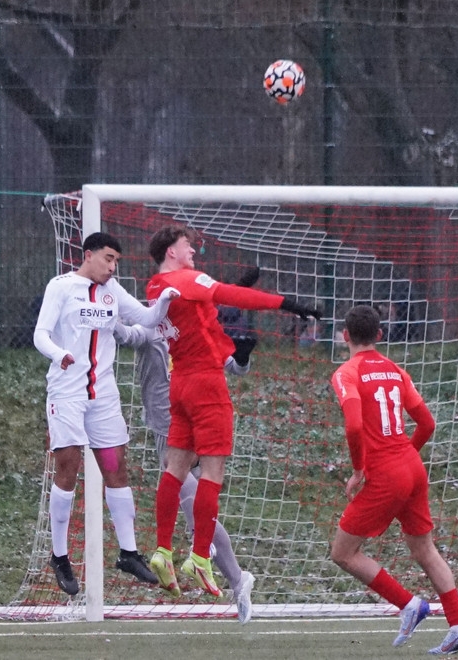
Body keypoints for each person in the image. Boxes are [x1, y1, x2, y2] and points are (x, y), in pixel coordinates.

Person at [145, 225, 320, 599]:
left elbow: (204, 313)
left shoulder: (156, 287)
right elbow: (231, 295)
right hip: (206, 384)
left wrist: (230, 293)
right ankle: (199, 557)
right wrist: (287, 304)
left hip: (180, 384)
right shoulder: (186, 278)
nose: (193, 250)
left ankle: (162, 550)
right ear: (171, 251)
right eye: (187, 245)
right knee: (213, 472)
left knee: (176, 468)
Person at [33, 231, 179, 596]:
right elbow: (40, 334)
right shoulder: (61, 287)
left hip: (104, 396)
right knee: (68, 467)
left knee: (115, 467)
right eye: (108, 259)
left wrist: (164, 299)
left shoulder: (113, 291)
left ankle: (128, 553)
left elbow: (146, 318)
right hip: (67, 394)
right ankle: (60, 556)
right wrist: (59, 354)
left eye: (117, 261)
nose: (113, 267)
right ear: (88, 255)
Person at [329, 305, 458, 656]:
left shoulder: (347, 373)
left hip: (386, 473)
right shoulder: (397, 371)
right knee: (424, 549)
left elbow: (353, 426)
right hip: (412, 466)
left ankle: (409, 605)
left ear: (345, 336)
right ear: (380, 335)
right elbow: (427, 424)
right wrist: (405, 457)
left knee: (343, 553)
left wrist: (358, 470)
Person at [115, 300, 256, 622]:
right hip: (169, 432)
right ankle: (237, 579)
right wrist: (103, 312)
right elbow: (126, 335)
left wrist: (242, 355)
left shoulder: (196, 333)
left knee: (195, 509)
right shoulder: (151, 331)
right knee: (195, 511)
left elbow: (232, 366)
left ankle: (224, 570)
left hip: (200, 424)